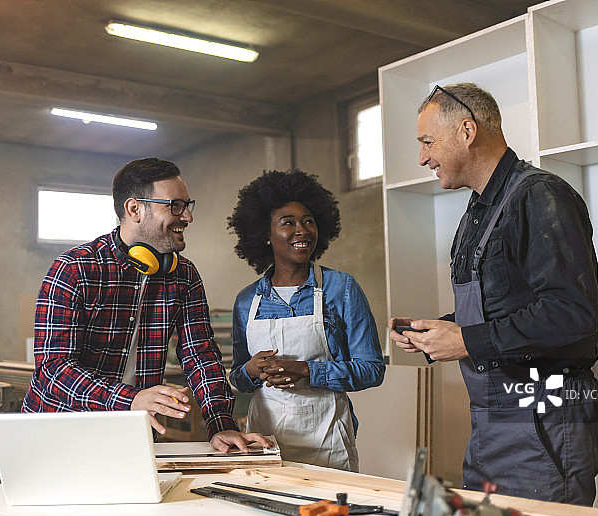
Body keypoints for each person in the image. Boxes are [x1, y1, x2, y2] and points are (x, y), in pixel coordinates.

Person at [390, 83, 598, 505]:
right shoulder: (478, 211)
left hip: (545, 421)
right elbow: (502, 309)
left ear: (467, 131)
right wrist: (440, 331)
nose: (422, 158)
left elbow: (571, 313)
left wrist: (465, 340)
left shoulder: (540, 196)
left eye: (428, 142)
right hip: (493, 423)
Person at [22, 157, 271, 453]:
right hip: (59, 434)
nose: (187, 217)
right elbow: (53, 369)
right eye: (174, 206)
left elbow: (200, 355)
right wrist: (130, 399)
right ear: (134, 209)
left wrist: (222, 425)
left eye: (187, 205)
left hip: (131, 436)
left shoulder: (184, 275)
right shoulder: (74, 270)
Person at [227, 170, 385, 471]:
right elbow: (238, 376)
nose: (302, 230)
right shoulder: (248, 300)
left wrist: (305, 370)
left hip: (328, 441)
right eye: (288, 223)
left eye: (309, 221)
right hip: (267, 443)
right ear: (265, 233)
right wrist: (249, 369)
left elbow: (372, 369)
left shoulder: (342, 288)